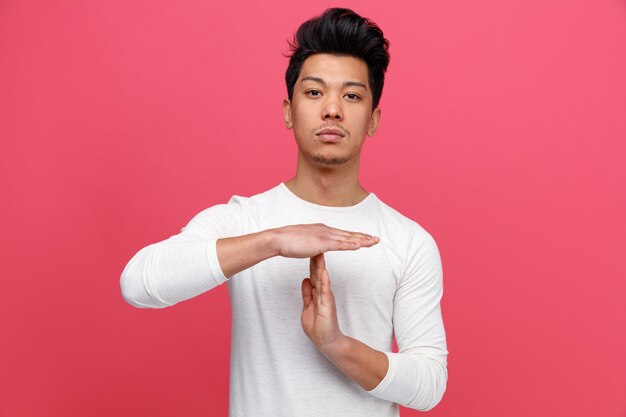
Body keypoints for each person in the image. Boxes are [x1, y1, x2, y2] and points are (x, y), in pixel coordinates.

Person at [121, 7, 447, 416]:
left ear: (373, 119)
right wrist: (274, 241)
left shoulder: (409, 241)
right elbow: (138, 284)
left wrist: (337, 345)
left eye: (351, 95)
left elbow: (430, 383)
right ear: (288, 112)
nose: (332, 110)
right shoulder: (245, 220)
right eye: (314, 92)